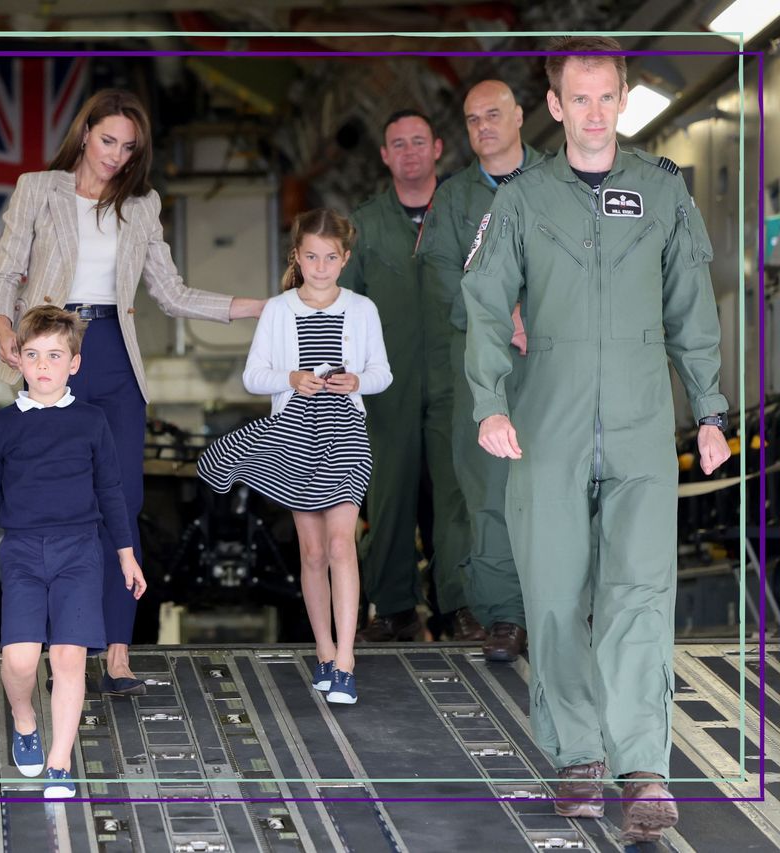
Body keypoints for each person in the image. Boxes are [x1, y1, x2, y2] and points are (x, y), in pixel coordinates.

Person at [461, 36, 730, 843]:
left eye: (605, 96)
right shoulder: (522, 199)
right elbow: (482, 302)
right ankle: (579, 753)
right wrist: (488, 401)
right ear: (553, 106)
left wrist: (710, 410)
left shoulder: (661, 191)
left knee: (641, 591)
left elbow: (692, 304)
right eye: (576, 98)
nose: (592, 112)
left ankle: (643, 764)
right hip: (547, 416)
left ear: (621, 98)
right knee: (551, 592)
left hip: (645, 418)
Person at [0, 89, 264, 694]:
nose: (115, 155)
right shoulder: (39, 188)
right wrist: (5, 330)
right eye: (107, 140)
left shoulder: (142, 205)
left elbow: (174, 294)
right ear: (85, 133)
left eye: (128, 147)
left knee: (122, 503)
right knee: (44, 501)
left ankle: (115, 653)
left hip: (112, 353)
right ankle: (57, 647)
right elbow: (5, 274)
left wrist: (264, 308)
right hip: (49, 350)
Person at [198, 209, 390, 704]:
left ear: (344, 259)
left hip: (346, 431)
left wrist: (357, 382)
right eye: (311, 257)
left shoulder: (363, 309)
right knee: (313, 552)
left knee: (342, 545)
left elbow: (382, 374)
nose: (320, 266)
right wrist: (291, 379)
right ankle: (324, 652)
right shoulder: (279, 310)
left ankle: (346, 660)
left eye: (330, 257)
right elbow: (253, 376)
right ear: (297, 257)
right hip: (294, 434)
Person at [0, 305, 146, 798]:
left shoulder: (92, 422)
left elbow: (111, 490)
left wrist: (127, 555)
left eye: (55, 355)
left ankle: (60, 764)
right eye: (33, 354)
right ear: (18, 361)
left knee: (68, 659)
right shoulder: (1, 426)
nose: (43, 365)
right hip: (22, 553)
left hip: (80, 551)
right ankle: (25, 722)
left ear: (74, 364)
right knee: (20, 662)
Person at [416, 81, 543, 662]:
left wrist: (533, 315)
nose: (484, 126)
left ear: (522, 116)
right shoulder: (452, 199)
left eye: (494, 114)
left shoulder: (562, 180)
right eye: (472, 119)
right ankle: (504, 618)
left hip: (554, 363)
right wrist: (502, 319)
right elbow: (441, 276)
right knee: (488, 494)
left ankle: (564, 609)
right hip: (483, 364)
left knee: (563, 490)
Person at [339, 110, 478, 643]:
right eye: (398, 143)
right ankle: (395, 607)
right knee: (389, 496)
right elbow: (341, 308)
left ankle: (458, 605)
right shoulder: (364, 224)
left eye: (419, 141)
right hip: (386, 388)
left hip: (455, 380)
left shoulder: (468, 216)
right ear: (385, 155)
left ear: (438, 147)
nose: (410, 152)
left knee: (456, 498)